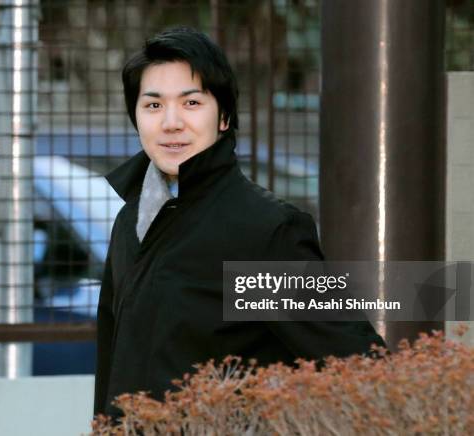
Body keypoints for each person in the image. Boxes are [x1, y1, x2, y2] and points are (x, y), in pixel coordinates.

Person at [94, 26, 385, 418]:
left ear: (224, 116)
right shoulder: (131, 220)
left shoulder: (263, 231)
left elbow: (359, 364)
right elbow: (112, 369)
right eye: (153, 105)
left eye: (192, 103)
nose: (171, 122)